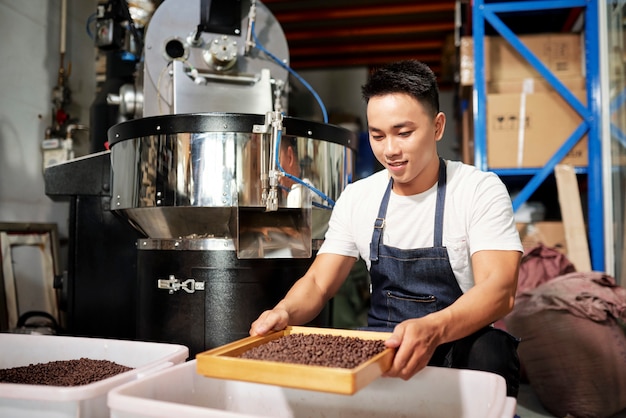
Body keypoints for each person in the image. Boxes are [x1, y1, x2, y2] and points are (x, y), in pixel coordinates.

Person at [250, 60, 523, 397]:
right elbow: (319, 283)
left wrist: (433, 330)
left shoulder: (476, 189)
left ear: (437, 127)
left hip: (457, 345)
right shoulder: (358, 197)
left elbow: (499, 290)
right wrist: (284, 312)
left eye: (404, 133)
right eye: (377, 136)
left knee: (491, 350)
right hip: (386, 345)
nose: (390, 150)